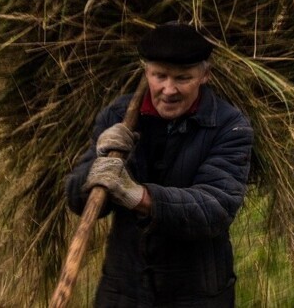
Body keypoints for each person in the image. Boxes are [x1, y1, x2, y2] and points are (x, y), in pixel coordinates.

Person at [66, 23, 253, 307]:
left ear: (205, 75)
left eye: (183, 78)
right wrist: (97, 166)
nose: (169, 89)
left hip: (196, 293)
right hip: (123, 290)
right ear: (146, 73)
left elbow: (215, 207)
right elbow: (79, 201)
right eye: (160, 75)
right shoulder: (117, 117)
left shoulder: (229, 126)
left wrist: (139, 196)